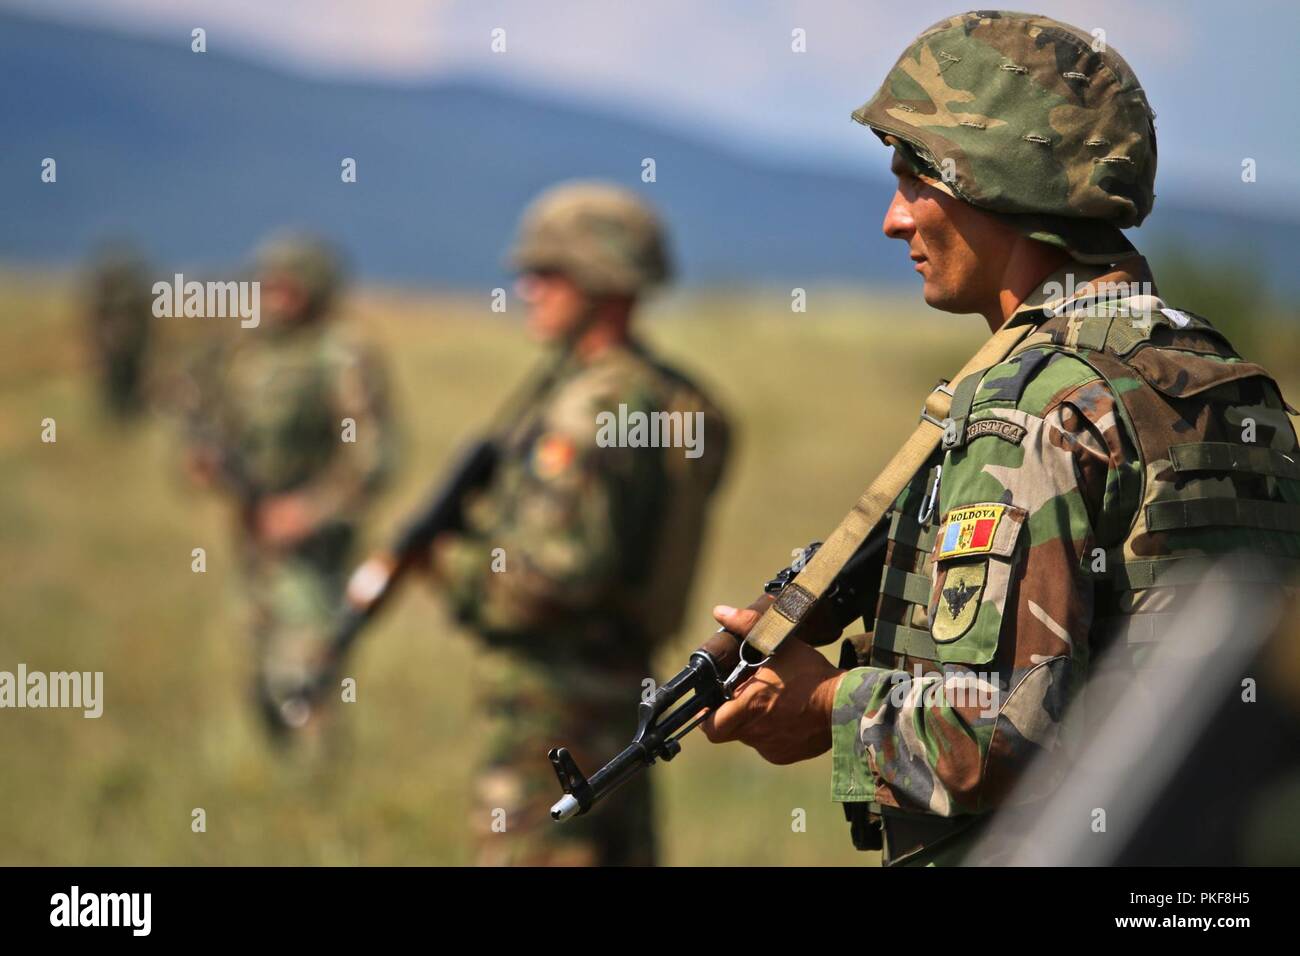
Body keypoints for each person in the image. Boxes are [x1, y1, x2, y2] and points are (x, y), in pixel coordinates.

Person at [701, 10, 1300, 865]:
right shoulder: (1214, 372)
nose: (894, 220)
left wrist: (825, 705)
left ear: (994, 179)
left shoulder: (1030, 404)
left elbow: (991, 734)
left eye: (916, 180)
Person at [428, 182, 731, 865]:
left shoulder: (592, 406)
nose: (526, 286)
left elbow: (551, 577)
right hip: (627, 697)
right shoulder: (672, 394)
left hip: (554, 708)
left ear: (604, 280)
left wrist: (448, 569)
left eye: (547, 272)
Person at [183, 233, 397, 740]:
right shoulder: (248, 352)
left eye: (287, 287)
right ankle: (274, 771)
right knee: (258, 655)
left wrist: (309, 509)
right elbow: (220, 426)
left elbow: (374, 455)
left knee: (306, 661)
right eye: (268, 285)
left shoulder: (341, 353)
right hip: (253, 534)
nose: (274, 297)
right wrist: (205, 465)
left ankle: (315, 782)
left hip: (313, 542)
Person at [84, 240, 153, 417]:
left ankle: (130, 413)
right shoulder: (108, 293)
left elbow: (144, 319)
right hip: (114, 346)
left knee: (130, 380)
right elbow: (98, 316)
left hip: (130, 346)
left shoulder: (133, 294)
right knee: (113, 384)